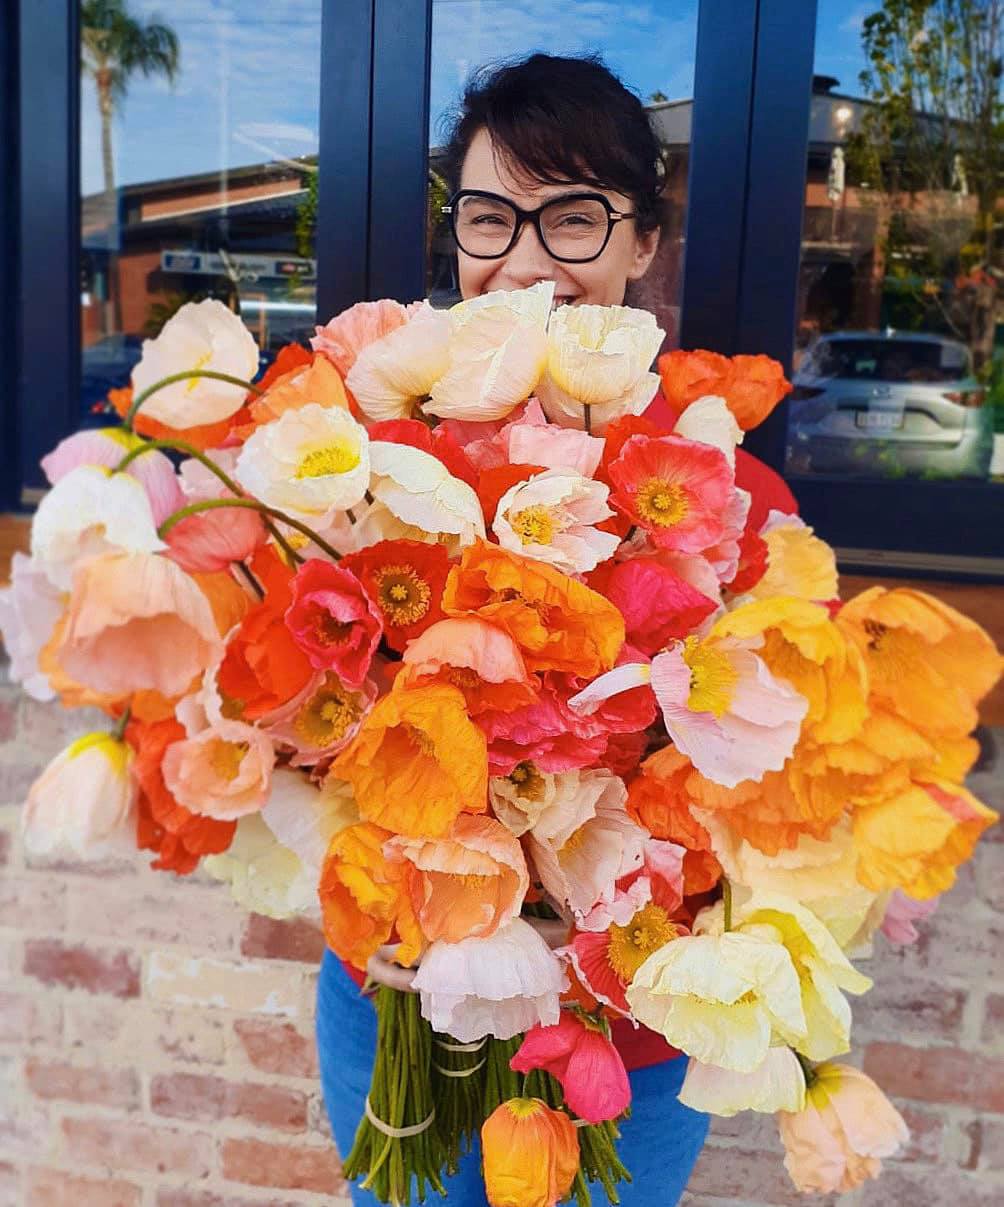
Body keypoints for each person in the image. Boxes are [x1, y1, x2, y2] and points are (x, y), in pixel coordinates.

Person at [317, 52, 796, 1206]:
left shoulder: (732, 496)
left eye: (574, 217)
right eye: (490, 216)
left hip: (619, 1030)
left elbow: (769, 787)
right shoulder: (375, 465)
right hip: (398, 987)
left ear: (643, 242)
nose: (525, 258)